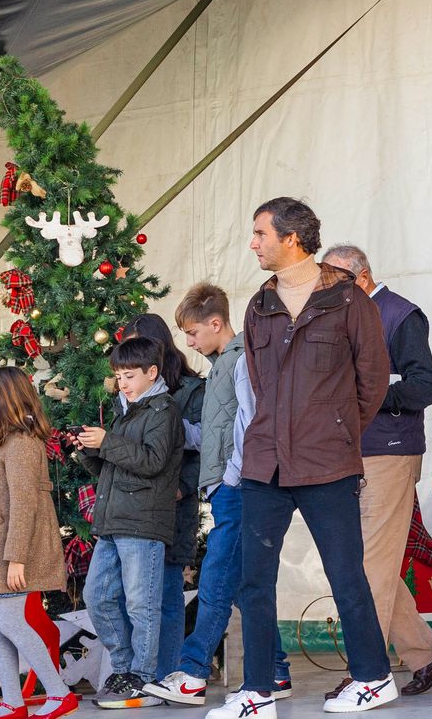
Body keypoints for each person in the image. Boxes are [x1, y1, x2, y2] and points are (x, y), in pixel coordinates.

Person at [207, 198, 394, 719]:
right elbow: (263, 387)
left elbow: (373, 380)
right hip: (266, 463)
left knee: (345, 574)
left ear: (291, 238)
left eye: (260, 233)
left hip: (328, 461)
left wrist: (335, 429)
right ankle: (258, 693)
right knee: (253, 579)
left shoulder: (350, 300)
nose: (253, 243)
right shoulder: (258, 306)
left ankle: (374, 679)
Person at [320, 244, 432, 697]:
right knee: (367, 564)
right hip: (349, 454)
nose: (325, 293)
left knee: (371, 565)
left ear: (361, 278)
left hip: (389, 452)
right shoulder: (343, 318)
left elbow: (427, 385)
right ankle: (428, 656)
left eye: (334, 284)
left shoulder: (400, 316)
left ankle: (368, 672)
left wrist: (372, 394)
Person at [156, 285, 290, 705]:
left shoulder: (240, 361)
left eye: (193, 333)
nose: (190, 343)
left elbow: (250, 425)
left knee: (216, 575)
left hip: (239, 487)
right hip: (228, 486)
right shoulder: (220, 366)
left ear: (216, 324)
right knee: (242, 585)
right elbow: (214, 432)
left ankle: (193, 672)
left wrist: (233, 478)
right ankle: (277, 670)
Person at [0, 369, 78, 719]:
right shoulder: (2, 442)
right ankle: (12, 701)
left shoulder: (22, 444)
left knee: (11, 623)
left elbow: (25, 504)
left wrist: (17, 559)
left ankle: (58, 692)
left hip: (11, 554)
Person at [75, 337, 183, 709]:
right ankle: (125, 669)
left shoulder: (163, 410)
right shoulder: (128, 411)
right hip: (113, 523)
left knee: (141, 604)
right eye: (118, 376)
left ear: (152, 373)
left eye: (129, 375)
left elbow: (152, 461)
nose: (122, 383)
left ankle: (144, 676)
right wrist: (88, 451)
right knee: (97, 595)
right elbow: (114, 468)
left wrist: (108, 443)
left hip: (143, 524)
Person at [119, 313, 206, 687]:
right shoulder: (126, 391)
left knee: (168, 594)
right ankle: (135, 674)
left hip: (171, 504)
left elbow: (207, 444)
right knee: (131, 595)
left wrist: (183, 488)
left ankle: (165, 675)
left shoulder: (189, 389)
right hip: (133, 505)